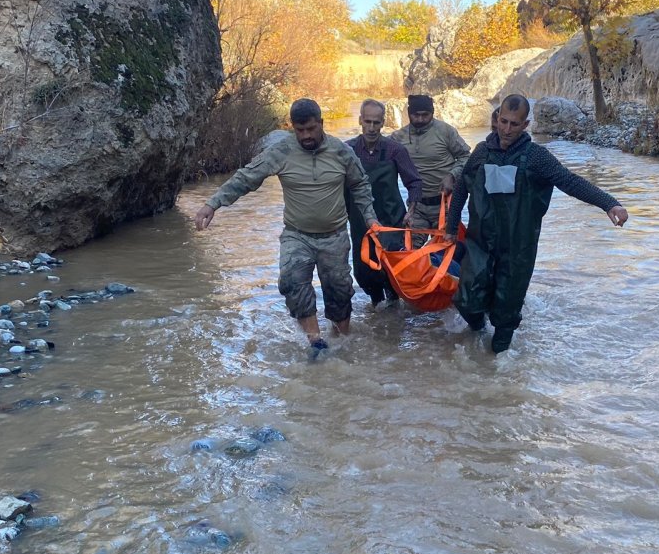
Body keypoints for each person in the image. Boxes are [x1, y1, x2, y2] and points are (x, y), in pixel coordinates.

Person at [194, 98, 379, 360]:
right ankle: (316, 342)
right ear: (293, 127)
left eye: (311, 129)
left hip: (334, 236)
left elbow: (360, 184)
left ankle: (342, 343)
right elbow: (246, 178)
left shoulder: (341, 152)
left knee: (339, 292)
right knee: (292, 282)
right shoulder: (281, 151)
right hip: (296, 235)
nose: (306, 136)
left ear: (321, 124)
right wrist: (212, 204)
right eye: (299, 130)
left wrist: (370, 218)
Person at [446, 94, 629, 354]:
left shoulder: (536, 157)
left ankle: (497, 366)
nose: (507, 129)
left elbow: (569, 181)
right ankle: (478, 334)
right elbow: (461, 189)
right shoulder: (481, 153)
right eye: (503, 121)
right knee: (466, 300)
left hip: (518, 248)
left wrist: (609, 203)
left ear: (526, 125)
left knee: (506, 315)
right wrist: (451, 228)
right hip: (481, 243)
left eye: (514, 124)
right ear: (497, 119)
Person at [345, 99, 423, 306]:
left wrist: (412, 209)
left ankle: (395, 309)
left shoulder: (395, 150)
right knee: (364, 272)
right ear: (360, 120)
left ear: (383, 123)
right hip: (360, 222)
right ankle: (377, 310)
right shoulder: (347, 150)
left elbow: (414, 182)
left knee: (392, 271)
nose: (371, 128)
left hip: (392, 220)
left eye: (376, 122)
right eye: (368, 122)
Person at [392, 94, 471, 245]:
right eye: (416, 115)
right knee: (410, 252)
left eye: (425, 115)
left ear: (432, 112)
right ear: (409, 113)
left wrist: (452, 175)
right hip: (416, 206)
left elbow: (466, 157)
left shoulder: (446, 131)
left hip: (445, 206)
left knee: (446, 250)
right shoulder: (397, 138)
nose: (420, 119)